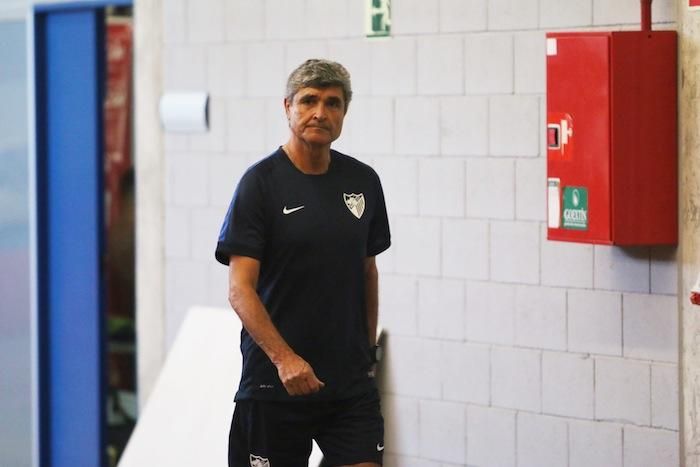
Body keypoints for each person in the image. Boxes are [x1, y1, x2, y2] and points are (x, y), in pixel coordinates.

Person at [215, 59, 391, 467]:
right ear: (288, 107)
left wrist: (368, 351)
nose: (320, 113)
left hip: (348, 383)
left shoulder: (363, 182)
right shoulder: (259, 184)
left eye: (333, 104)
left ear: (344, 113)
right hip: (276, 382)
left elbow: (368, 271)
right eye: (309, 101)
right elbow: (240, 290)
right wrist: (284, 359)